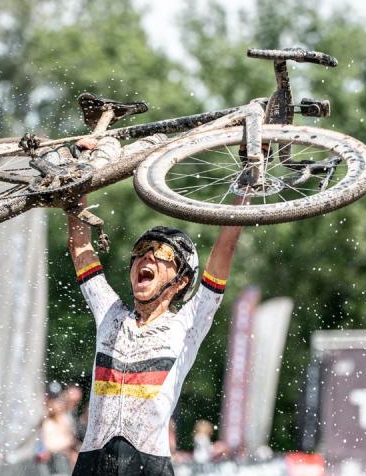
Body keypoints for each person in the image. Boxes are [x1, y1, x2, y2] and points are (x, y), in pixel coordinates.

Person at [65, 188, 246, 475]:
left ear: (182, 281)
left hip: (148, 465)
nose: (146, 256)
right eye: (140, 251)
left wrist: (244, 187)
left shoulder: (187, 323)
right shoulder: (110, 314)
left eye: (162, 253)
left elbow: (226, 247)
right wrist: (79, 184)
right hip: (92, 464)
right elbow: (79, 245)